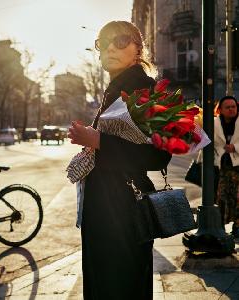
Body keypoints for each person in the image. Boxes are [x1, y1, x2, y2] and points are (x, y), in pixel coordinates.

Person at [68, 21, 172, 299]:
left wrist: (99, 142)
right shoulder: (116, 86)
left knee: (120, 285)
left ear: (139, 48)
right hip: (106, 207)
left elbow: (160, 154)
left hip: (124, 208)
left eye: (121, 41)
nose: (111, 48)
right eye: (103, 43)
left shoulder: (146, 88)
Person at [214, 95, 239, 238]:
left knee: (238, 198)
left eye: (233, 107)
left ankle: (237, 227)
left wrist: (235, 147)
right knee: (221, 198)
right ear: (220, 110)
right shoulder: (214, 123)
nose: (231, 109)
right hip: (221, 166)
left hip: (237, 165)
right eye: (227, 107)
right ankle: (220, 226)